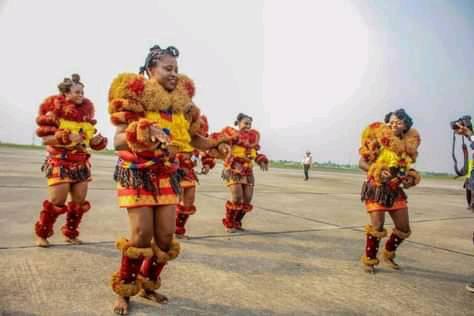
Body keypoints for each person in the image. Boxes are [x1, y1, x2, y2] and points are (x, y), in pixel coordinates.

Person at [108, 45, 226, 315]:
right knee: (140, 236)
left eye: (176, 69)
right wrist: (144, 130)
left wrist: (216, 146)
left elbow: (194, 139)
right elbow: (117, 141)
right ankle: (124, 290)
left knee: (164, 237)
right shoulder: (136, 99)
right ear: (151, 69)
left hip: (168, 174)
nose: (174, 74)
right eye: (167, 68)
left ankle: (149, 284)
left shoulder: (183, 107)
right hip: (137, 173)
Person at [34, 74, 107, 247]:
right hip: (60, 162)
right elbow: (46, 139)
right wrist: (65, 137)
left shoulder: (85, 118)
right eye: (77, 92)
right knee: (57, 201)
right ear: (65, 94)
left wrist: (97, 142)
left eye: (82, 92)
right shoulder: (55, 114)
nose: (81, 95)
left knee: (79, 202)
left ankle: (70, 233)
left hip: (80, 163)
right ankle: (42, 234)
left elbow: (89, 141)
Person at [358, 108, 421, 273]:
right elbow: (361, 163)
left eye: (398, 122)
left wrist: (410, 177)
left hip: (395, 190)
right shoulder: (379, 141)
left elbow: (405, 168)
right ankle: (369, 261)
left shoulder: (407, 147)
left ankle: (388, 253)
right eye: (391, 121)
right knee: (377, 226)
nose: (394, 124)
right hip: (376, 188)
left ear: (405, 126)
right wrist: (376, 169)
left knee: (404, 228)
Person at [213, 113, 269, 232]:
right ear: (238, 123)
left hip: (248, 171)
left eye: (250, 124)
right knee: (237, 197)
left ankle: (237, 222)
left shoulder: (253, 140)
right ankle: (229, 222)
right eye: (245, 123)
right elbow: (223, 148)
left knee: (247, 199)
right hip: (234, 168)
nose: (248, 126)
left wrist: (261, 160)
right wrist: (226, 162)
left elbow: (255, 155)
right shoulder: (231, 136)